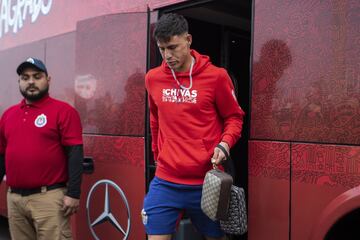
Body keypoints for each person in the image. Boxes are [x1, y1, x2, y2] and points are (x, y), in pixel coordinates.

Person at [143, 13, 245, 240]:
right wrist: (158, 155)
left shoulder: (216, 77)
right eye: (162, 49)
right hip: (166, 180)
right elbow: (154, 119)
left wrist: (225, 144)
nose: (167, 56)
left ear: (188, 40)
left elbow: (234, 118)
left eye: (173, 47)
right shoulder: (153, 78)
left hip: (207, 180)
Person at [0, 57, 84, 240]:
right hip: (14, 199)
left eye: (37, 76)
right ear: (19, 82)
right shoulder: (8, 115)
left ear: (48, 79)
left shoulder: (64, 111)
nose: (31, 81)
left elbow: (75, 154)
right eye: (25, 77)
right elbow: (2, 156)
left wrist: (74, 193)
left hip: (49, 198)